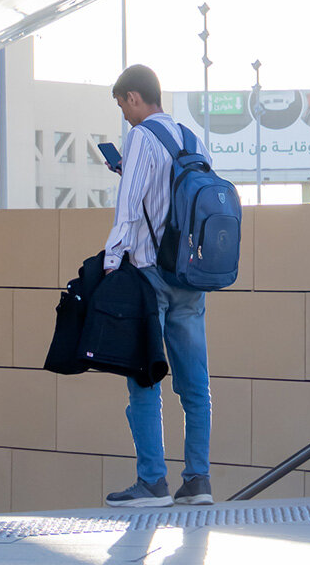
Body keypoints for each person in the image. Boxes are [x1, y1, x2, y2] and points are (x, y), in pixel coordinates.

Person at [101, 64, 213, 508]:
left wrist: (112, 260)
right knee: (195, 386)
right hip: (191, 275)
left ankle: (152, 482)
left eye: (122, 105)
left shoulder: (142, 136)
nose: (124, 116)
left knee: (143, 379)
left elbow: (129, 206)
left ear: (133, 97)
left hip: (151, 275)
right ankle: (198, 481)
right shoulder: (192, 138)